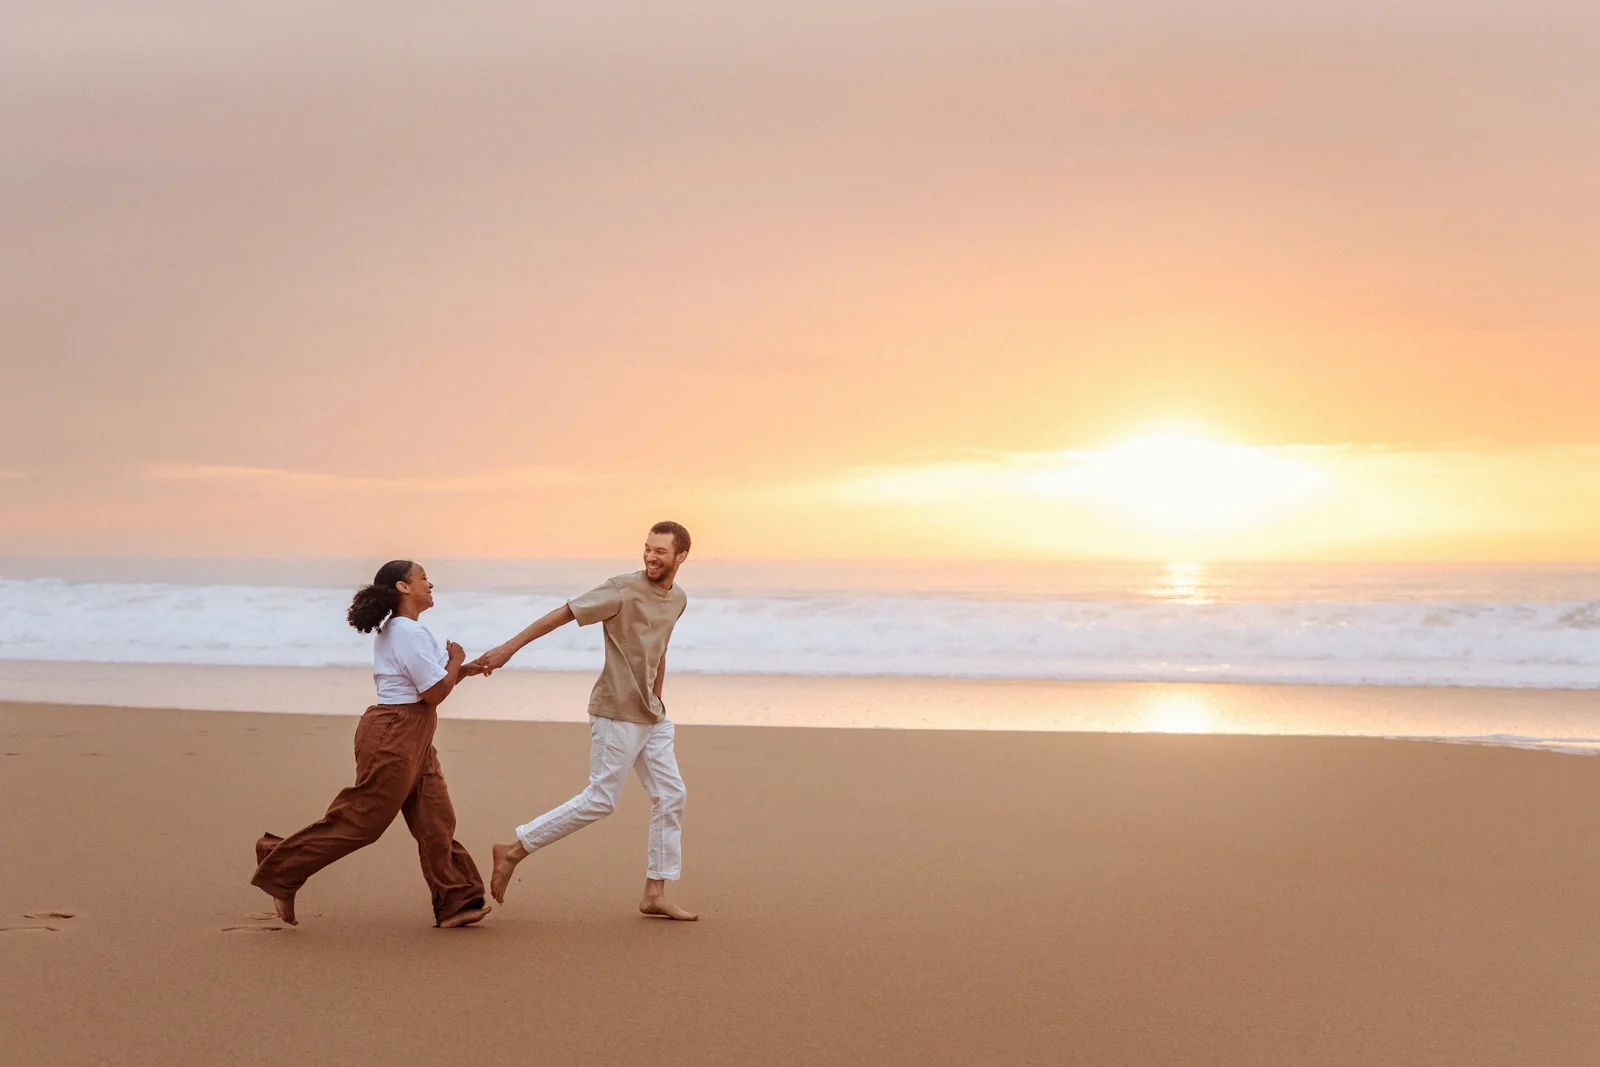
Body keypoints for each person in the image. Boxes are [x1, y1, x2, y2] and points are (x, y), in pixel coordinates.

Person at [474, 521, 698, 921]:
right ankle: (513, 849)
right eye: (647, 548)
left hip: (652, 715)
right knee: (600, 800)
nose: (650, 556)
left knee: (671, 796)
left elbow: (659, 647)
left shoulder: (678, 598)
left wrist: (658, 696)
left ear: (681, 557)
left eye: (660, 551)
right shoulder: (620, 590)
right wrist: (508, 648)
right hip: (615, 713)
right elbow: (562, 614)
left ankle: (655, 892)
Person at [250, 560, 492, 929]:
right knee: (365, 821)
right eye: (423, 577)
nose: (431, 583)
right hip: (394, 733)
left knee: (435, 820)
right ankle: (279, 864)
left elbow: (435, 683)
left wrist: (467, 668)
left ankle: (456, 899)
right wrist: (458, 659)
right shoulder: (405, 632)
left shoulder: (411, 631)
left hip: (415, 732)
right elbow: (433, 692)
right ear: (403, 587)